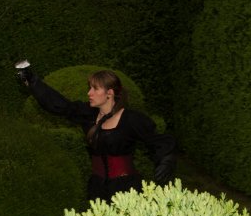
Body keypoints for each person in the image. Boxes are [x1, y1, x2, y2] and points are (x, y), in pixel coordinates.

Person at [16, 60, 176, 202]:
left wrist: (166, 161)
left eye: (95, 89)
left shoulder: (131, 119)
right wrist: (33, 81)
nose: (89, 93)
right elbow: (59, 105)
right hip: (97, 189)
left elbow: (158, 141)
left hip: (126, 190)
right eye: (89, 88)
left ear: (109, 93)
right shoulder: (88, 115)